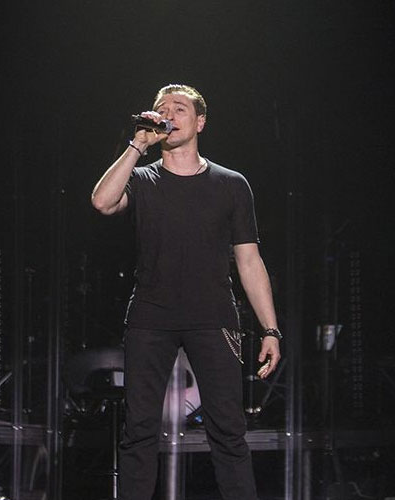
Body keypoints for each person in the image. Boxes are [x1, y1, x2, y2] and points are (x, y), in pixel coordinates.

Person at [91, 84, 281, 500]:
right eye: (162, 109)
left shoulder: (231, 184)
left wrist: (270, 329)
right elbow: (102, 202)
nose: (169, 115)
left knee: (228, 430)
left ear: (200, 123)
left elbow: (249, 260)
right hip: (150, 316)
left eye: (180, 108)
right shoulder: (142, 178)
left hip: (212, 317)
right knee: (139, 429)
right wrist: (138, 144)